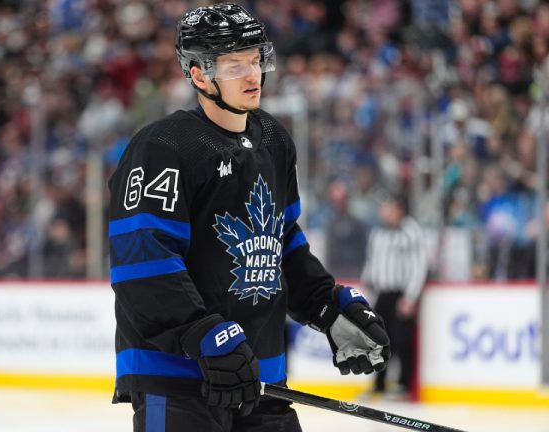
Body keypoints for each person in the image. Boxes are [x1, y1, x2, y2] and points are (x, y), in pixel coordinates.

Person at [107, 4, 391, 431]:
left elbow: (282, 241)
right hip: (179, 384)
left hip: (260, 381)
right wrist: (203, 335)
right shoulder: (163, 147)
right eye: (235, 64)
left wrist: (325, 305)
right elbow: (142, 259)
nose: (252, 74)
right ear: (200, 75)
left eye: (256, 60)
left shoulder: (274, 139)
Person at [360, 195, 427, 400]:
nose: (384, 212)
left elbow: (419, 264)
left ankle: (403, 386)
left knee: (401, 340)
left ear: (398, 209)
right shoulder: (377, 232)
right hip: (382, 293)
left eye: (388, 208)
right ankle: (378, 384)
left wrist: (410, 296)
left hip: (401, 293)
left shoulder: (410, 230)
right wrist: (367, 281)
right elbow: (372, 261)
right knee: (378, 339)